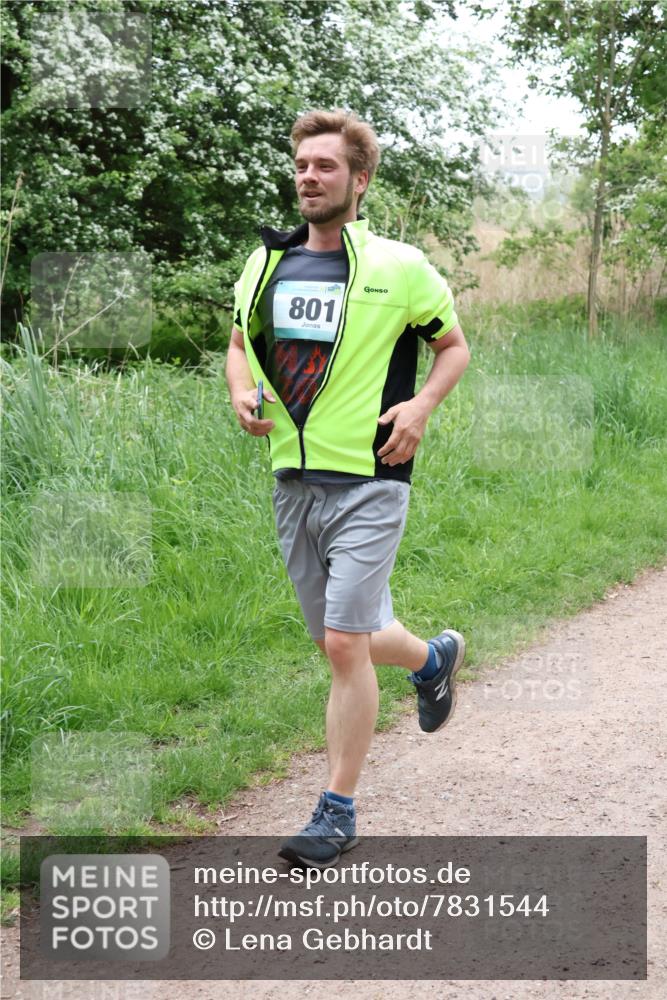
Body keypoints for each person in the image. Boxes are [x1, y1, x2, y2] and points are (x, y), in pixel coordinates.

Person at [226, 109, 471, 868]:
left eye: (325, 166)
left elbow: (452, 346)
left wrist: (422, 407)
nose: (308, 176)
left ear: (358, 181)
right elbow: (238, 344)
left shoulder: (399, 267)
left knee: (341, 643)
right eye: (301, 165)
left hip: (372, 477)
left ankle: (336, 809)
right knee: (349, 639)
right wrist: (239, 389)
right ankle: (431, 660)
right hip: (292, 482)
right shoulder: (265, 264)